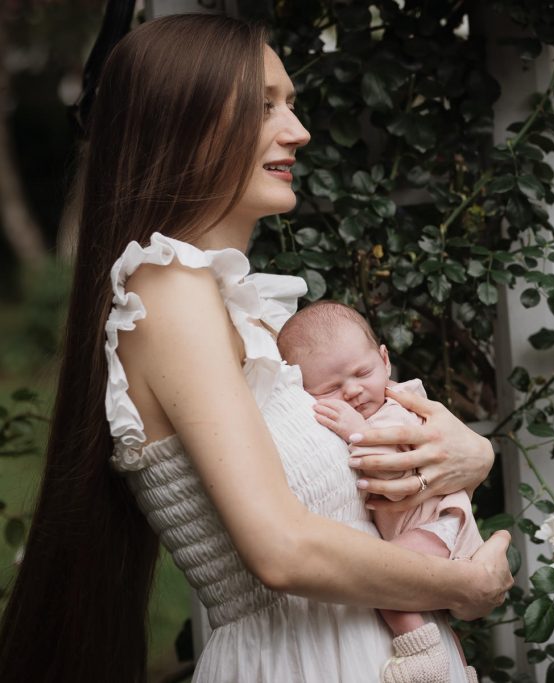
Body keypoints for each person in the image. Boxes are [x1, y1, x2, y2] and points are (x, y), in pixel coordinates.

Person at [0, 14, 512, 683]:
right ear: (181, 121)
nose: (297, 130)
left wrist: (471, 456)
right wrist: (462, 585)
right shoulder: (167, 291)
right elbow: (282, 548)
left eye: (290, 104)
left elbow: (353, 493)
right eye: (264, 105)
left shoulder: (250, 315)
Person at [278, 302, 485, 683]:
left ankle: (423, 653)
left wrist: (355, 430)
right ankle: (460, 668)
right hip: (428, 529)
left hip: (438, 527)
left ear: (385, 360)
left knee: (381, 579)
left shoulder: (394, 412)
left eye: (363, 373)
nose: (353, 391)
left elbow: (397, 472)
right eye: (331, 389)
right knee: (425, 604)